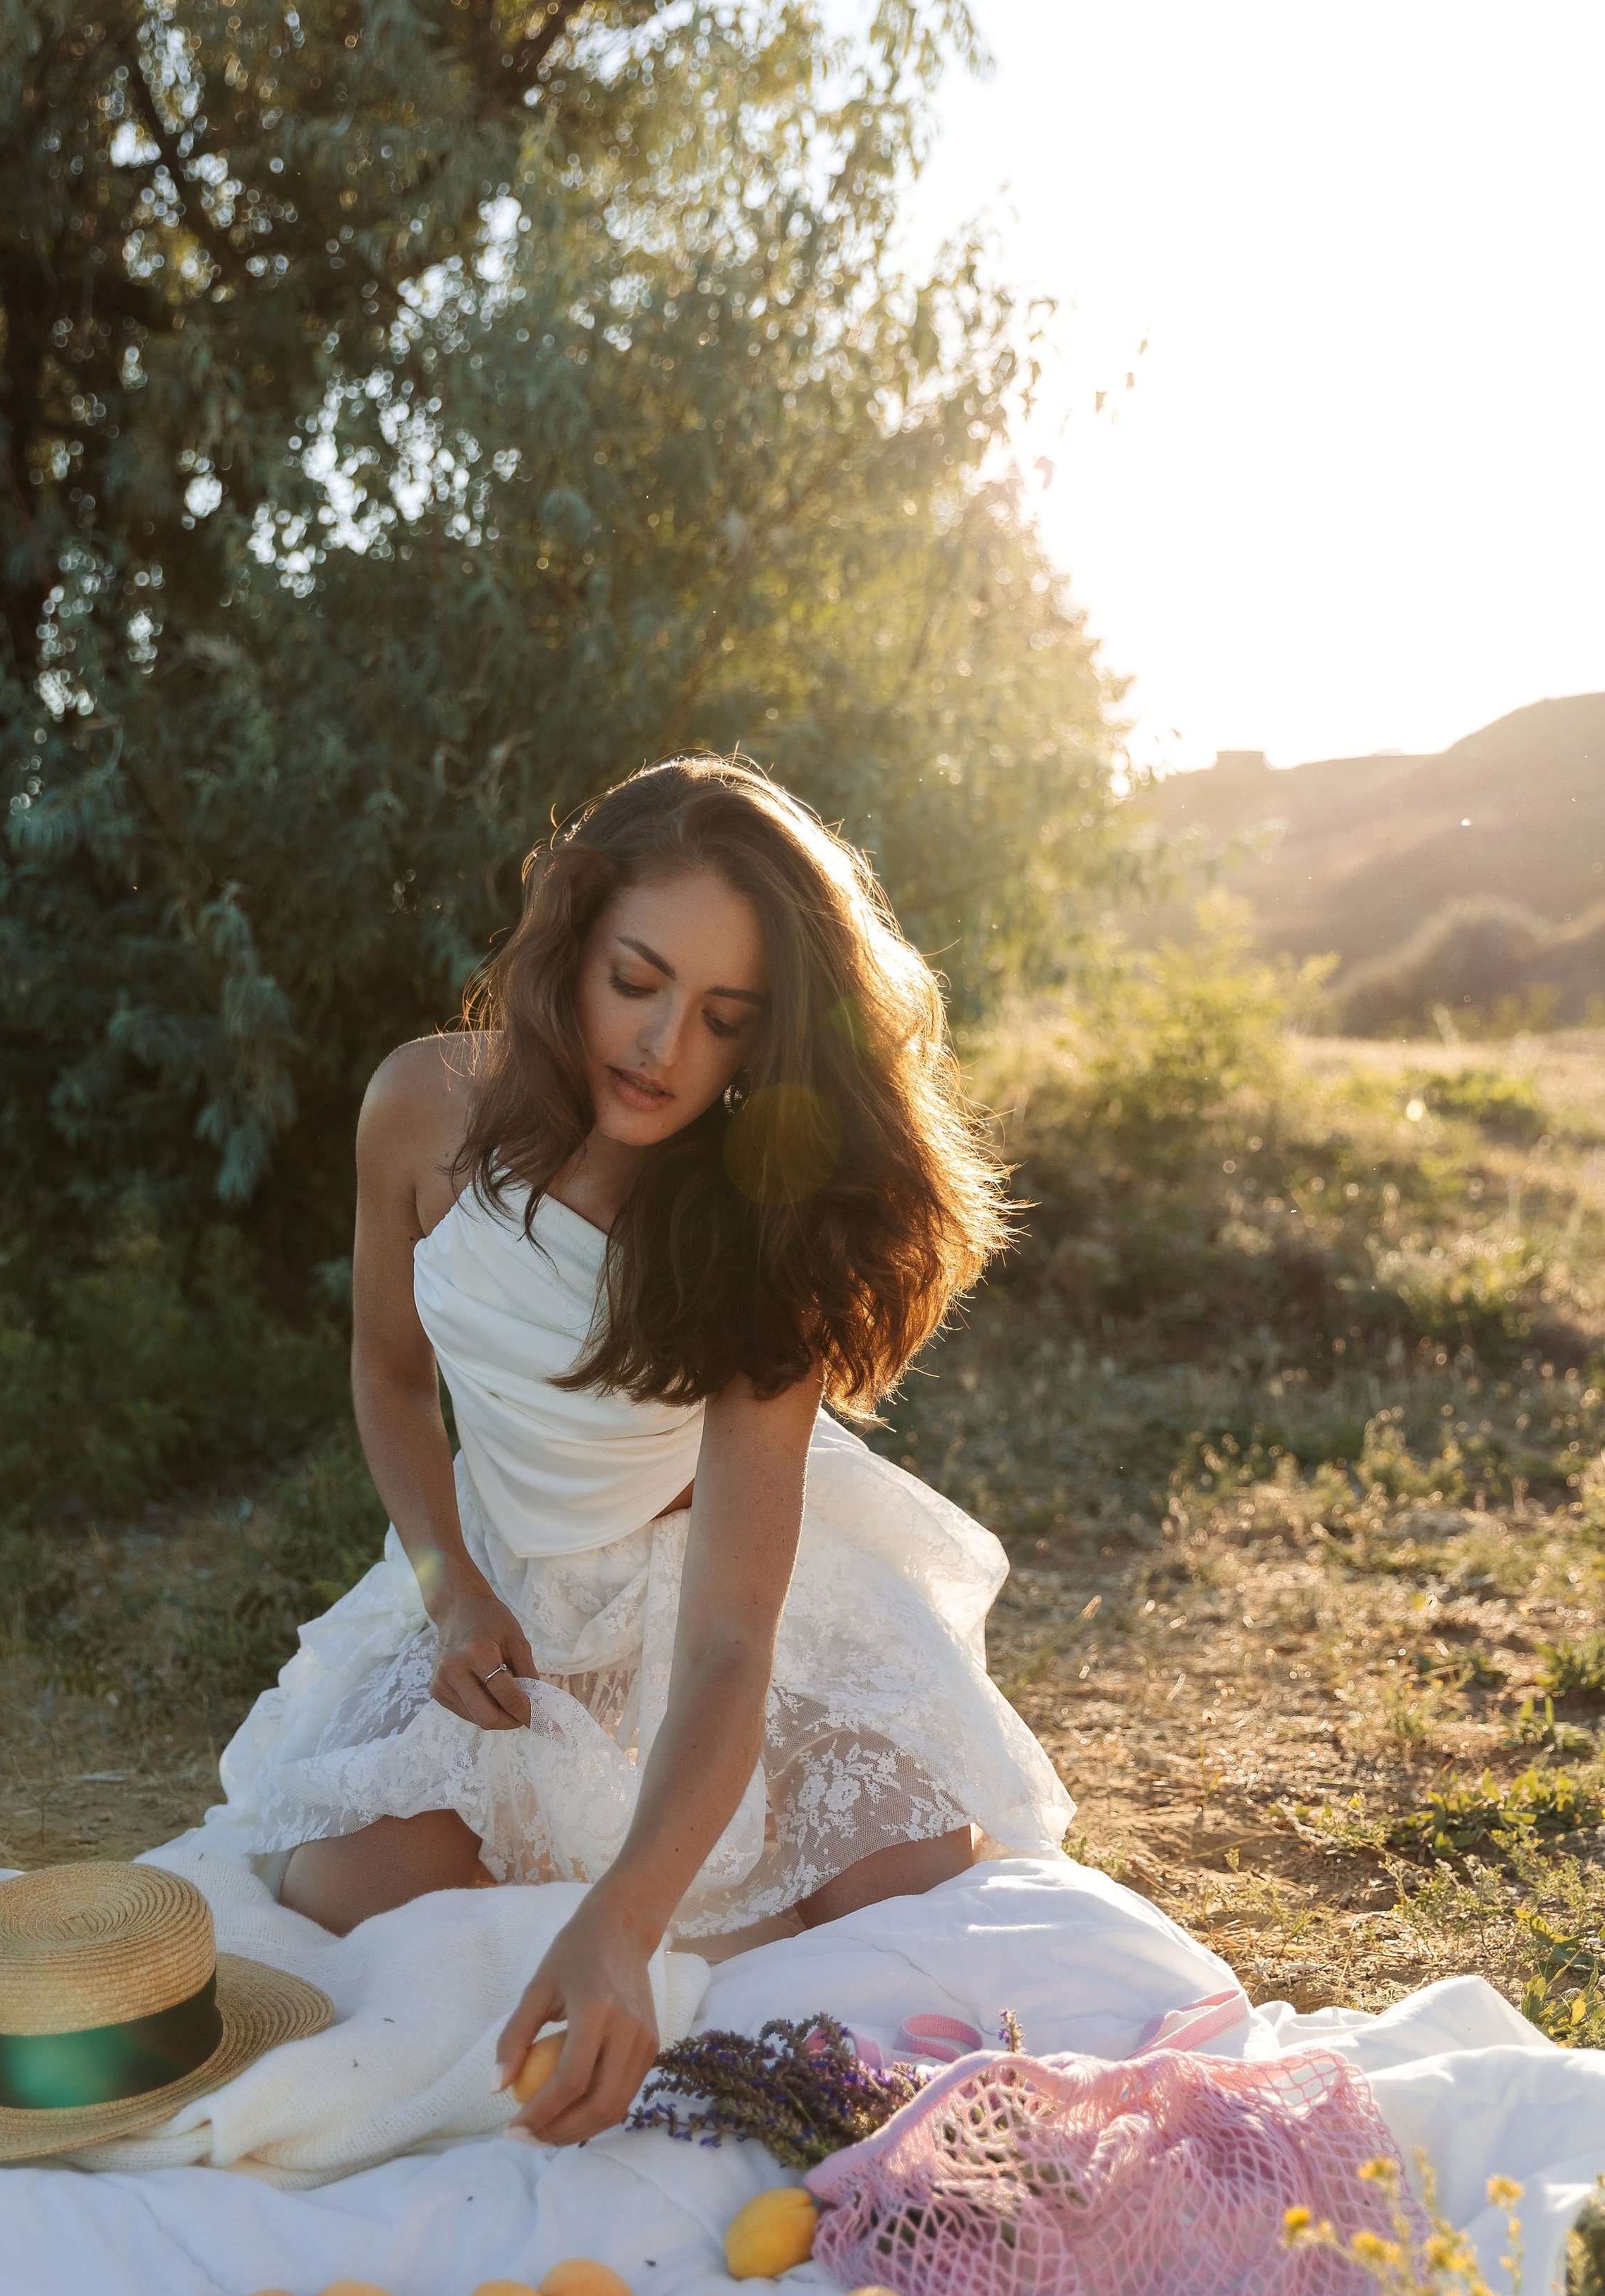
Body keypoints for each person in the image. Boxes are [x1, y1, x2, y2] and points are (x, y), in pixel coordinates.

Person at [202, 756, 1073, 2145]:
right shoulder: (419, 1110)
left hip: (706, 1597)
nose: (662, 1045)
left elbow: (731, 1640)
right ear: (571, 938)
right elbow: (384, 1372)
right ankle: (681, 1914)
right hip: (501, 1584)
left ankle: (701, 1921)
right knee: (345, 1893)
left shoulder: (764, 1223)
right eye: (636, 979)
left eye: (722, 1018)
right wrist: (450, 1588)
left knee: (919, 1907)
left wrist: (622, 1920)